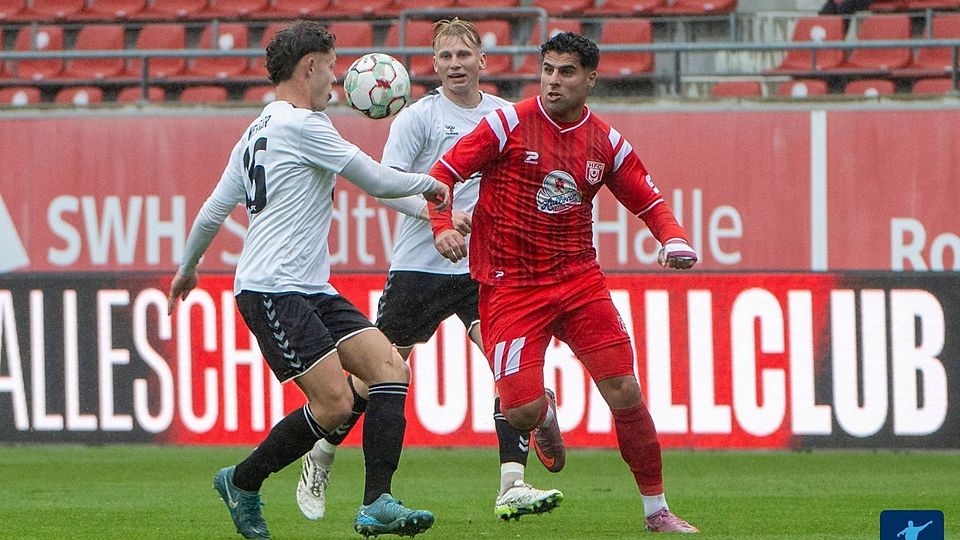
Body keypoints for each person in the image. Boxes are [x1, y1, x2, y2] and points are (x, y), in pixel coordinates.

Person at [166, 20, 449, 539]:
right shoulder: (303, 125)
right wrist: (433, 187)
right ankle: (243, 481)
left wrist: (188, 270)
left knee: (389, 367)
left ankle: (377, 503)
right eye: (332, 68)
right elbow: (378, 179)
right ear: (310, 66)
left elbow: (211, 213)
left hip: (310, 287)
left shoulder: (256, 131)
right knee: (336, 403)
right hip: (273, 288)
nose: (335, 81)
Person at [295, 18, 565, 524]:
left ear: (484, 62)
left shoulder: (506, 116)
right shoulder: (418, 119)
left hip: (484, 268)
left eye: (464, 55)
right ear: (434, 64)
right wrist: (435, 218)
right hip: (420, 267)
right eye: (446, 57)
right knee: (374, 375)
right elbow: (388, 184)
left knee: (510, 367)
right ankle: (322, 452)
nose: (456, 65)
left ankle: (512, 484)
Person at [428, 32, 700, 533]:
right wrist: (442, 227)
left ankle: (656, 510)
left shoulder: (606, 142)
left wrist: (674, 238)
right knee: (521, 410)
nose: (554, 81)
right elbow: (442, 173)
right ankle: (542, 412)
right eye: (548, 70)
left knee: (624, 391)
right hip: (511, 287)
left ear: (590, 79)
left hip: (579, 281)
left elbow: (648, 200)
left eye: (567, 72)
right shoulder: (507, 123)